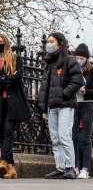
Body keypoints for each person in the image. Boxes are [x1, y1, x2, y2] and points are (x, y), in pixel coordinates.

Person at [38, 33, 84, 179]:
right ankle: (60, 167)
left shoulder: (70, 60)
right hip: (52, 106)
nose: (48, 44)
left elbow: (78, 81)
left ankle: (71, 167)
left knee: (64, 136)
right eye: (48, 42)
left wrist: (65, 93)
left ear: (60, 43)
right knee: (55, 138)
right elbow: (45, 86)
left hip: (65, 105)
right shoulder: (49, 63)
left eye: (51, 41)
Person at [0, 34, 31, 179]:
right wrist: (6, 78)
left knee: (8, 131)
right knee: (2, 133)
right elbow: (11, 78)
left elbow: (17, 77)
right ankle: (10, 167)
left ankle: (3, 162)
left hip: (12, 102)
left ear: (5, 43)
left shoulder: (15, 59)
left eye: (0, 42)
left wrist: (3, 78)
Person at [72, 43, 93, 179]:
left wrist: (84, 90)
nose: (79, 60)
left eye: (82, 57)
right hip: (74, 104)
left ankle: (85, 168)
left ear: (87, 58)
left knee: (86, 138)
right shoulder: (71, 69)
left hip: (87, 105)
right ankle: (75, 167)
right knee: (73, 139)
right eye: (77, 57)